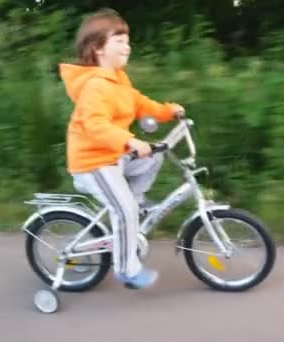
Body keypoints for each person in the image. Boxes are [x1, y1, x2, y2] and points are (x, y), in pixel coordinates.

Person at [58, 8, 184, 289]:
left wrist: (166, 111)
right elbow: (95, 126)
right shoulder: (95, 87)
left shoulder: (119, 80)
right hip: (93, 162)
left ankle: (134, 203)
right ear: (98, 48)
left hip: (113, 156)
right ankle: (127, 268)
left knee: (153, 158)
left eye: (128, 41)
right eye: (119, 41)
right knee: (123, 209)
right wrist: (129, 141)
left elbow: (139, 103)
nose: (127, 46)